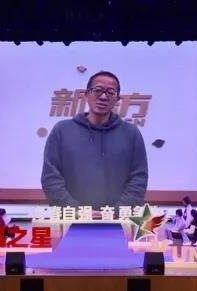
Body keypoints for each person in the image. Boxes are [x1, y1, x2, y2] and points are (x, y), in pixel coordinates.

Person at [41, 71, 148, 210]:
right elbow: (50, 177)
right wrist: (77, 211)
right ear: (86, 94)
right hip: (71, 218)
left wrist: (115, 213)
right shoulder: (62, 130)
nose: (103, 97)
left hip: (118, 219)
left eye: (110, 92)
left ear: (117, 99)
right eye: (98, 90)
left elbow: (139, 178)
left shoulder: (131, 133)